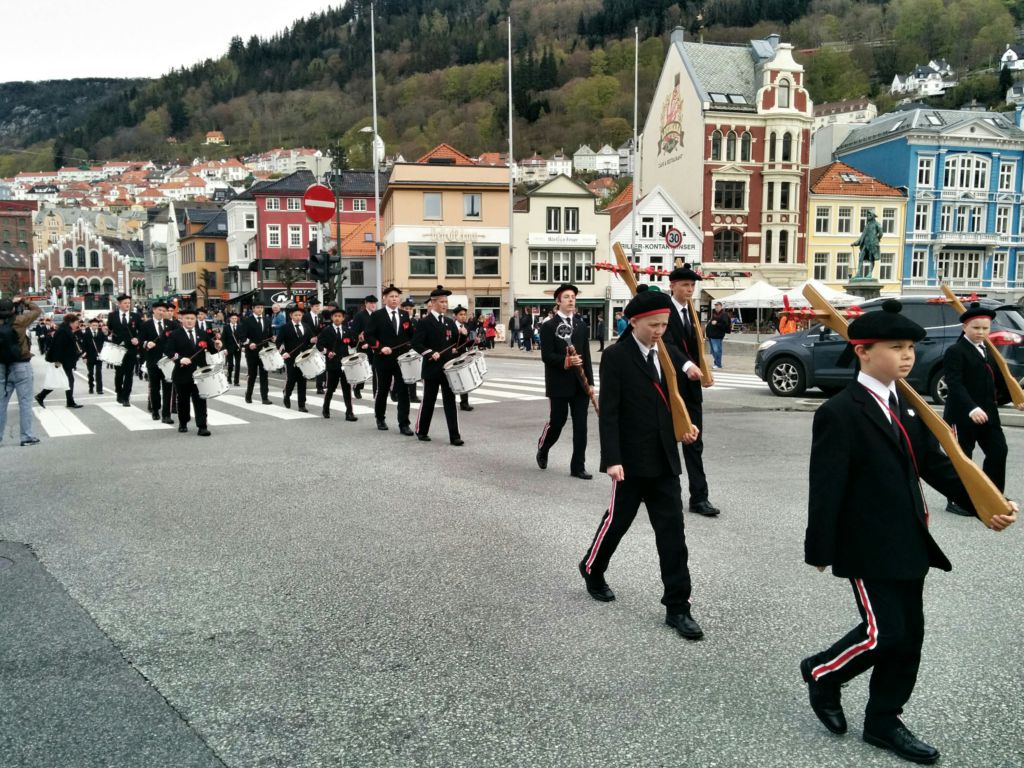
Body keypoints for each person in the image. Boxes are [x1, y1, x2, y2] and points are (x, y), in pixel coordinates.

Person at [801, 299, 1017, 764]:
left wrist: (986, 504)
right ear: (863, 351)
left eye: (910, 348)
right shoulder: (840, 412)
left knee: (909, 637)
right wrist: (819, 547)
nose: (907, 356)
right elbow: (826, 485)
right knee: (884, 633)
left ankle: (883, 720)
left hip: (909, 540)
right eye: (896, 347)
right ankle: (823, 673)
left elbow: (935, 465)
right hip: (864, 543)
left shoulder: (906, 404)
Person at [579, 285, 703, 640]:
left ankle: (678, 607)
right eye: (653, 325)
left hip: (665, 460)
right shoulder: (617, 357)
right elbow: (610, 412)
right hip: (630, 462)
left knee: (673, 536)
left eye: (664, 324)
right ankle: (592, 568)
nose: (659, 331)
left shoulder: (665, 352)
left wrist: (685, 428)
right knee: (617, 523)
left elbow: (671, 401)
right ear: (633, 322)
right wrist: (612, 459)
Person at [941, 302, 1022, 516]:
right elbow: (954, 383)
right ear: (964, 327)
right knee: (963, 457)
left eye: (985, 328)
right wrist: (971, 408)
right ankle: (956, 500)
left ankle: (992, 496)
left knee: (998, 451)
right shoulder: (955, 351)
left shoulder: (989, 350)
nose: (981, 332)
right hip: (962, 414)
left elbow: (999, 379)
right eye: (976, 327)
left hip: (989, 414)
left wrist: (1016, 399)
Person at [663, 265, 720, 517]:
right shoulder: (664, 312)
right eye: (685, 285)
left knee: (694, 442)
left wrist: (705, 370)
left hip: (692, 388)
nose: (689, 289)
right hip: (670, 385)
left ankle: (699, 497)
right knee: (664, 442)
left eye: (692, 285)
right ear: (672, 286)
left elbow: (697, 347)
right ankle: (658, 491)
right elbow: (666, 344)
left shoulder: (693, 314)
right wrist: (687, 365)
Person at [536, 283, 595, 480]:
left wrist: (590, 382)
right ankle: (544, 447)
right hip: (559, 383)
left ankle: (578, 466)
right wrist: (566, 361)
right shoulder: (548, 326)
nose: (571, 300)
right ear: (558, 301)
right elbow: (546, 356)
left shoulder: (581, 325)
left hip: (580, 383)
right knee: (558, 422)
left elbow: (586, 355)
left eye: (573, 297)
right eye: (567, 297)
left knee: (581, 426)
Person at [412, 285, 464, 446]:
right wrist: (429, 352)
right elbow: (416, 343)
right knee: (429, 401)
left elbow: (456, 344)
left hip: (448, 369)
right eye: (442, 302)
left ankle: (454, 436)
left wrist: (463, 339)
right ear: (433, 302)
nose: (445, 305)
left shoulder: (450, 322)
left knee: (450, 402)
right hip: (432, 368)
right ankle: (422, 431)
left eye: (446, 302)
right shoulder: (424, 322)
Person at [364, 285, 415, 435]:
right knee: (383, 390)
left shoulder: (404, 315)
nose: (394, 299)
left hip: (402, 360)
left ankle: (404, 424)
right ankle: (380, 418)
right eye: (391, 296)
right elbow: (369, 335)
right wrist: (380, 347)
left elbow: (410, 335)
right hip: (383, 359)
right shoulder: (377, 315)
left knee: (403, 391)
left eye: (396, 297)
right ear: (385, 299)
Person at [163, 306, 222, 436]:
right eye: (187, 318)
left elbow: (212, 350)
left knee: (201, 399)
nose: (190, 321)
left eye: (192, 318)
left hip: (200, 373)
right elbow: (168, 351)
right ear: (182, 319)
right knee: (183, 400)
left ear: (196, 320)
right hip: (182, 373)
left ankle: (202, 426)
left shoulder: (202, 333)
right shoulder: (175, 334)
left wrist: (217, 346)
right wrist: (180, 359)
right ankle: (183, 423)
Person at [0, 295, 42, 446]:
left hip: (2, 366)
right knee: (24, 402)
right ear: (12, 309)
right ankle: (26, 436)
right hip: (21, 364)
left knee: (1, 403)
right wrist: (23, 301)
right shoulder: (20, 320)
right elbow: (37, 311)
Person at [35, 313, 86, 409]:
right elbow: (58, 346)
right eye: (76, 323)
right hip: (62, 360)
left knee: (63, 380)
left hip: (65, 360)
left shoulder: (65, 329)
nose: (77, 325)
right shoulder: (63, 331)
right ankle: (42, 396)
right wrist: (57, 360)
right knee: (65, 380)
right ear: (70, 322)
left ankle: (43, 396)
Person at [316, 307, 357, 421]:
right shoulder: (327, 330)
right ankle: (326, 409)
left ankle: (349, 413)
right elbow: (319, 345)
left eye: (339, 316)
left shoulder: (347, 330)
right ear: (331, 318)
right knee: (330, 389)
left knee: (347, 389)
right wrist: (327, 352)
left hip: (345, 364)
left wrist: (359, 340)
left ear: (343, 318)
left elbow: (352, 344)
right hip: (332, 364)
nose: (337, 318)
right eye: (335, 316)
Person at [139, 302, 175, 423]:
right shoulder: (146, 325)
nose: (162, 313)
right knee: (155, 388)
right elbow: (140, 340)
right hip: (153, 361)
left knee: (168, 388)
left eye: (164, 311)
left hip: (167, 362)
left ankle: (166, 414)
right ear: (154, 310)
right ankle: (155, 410)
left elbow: (177, 338)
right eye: (159, 310)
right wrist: (146, 343)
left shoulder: (171, 324)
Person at [107, 294, 141, 406]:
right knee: (119, 373)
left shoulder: (135, 316)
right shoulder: (112, 316)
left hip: (131, 349)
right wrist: (107, 333)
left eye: (129, 303)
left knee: (129, 374)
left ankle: (126, 397)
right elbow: (109, 330)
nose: (127, 305)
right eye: (125, 303)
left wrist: (137, 339)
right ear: (119, 304)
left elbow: (141, 331)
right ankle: (119, 392)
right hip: (117, 349)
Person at [277, 305, 313, 412]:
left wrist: (313, 341)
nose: (298, 317)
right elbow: (278, 342)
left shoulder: (306, 326)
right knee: (291, 380)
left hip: (304, 359)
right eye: (296, 315)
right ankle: (287, 394)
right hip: (291, 358)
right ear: (291, 315)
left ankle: (302, 405)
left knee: (302, 381)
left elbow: (310, 339)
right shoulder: (285, 327)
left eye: (300, 315)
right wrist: (283, 352)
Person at [241, 304, 274, 405]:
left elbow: (269, 335)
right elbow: (242, 336)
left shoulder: (267, 320)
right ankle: (248, 394)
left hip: (264, 352)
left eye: (261, 308)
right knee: (252, 375)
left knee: (264, 375)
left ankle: (265, 397)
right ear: (253, 309)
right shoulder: (247, 321)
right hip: (252, 352)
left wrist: (273, 338)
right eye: (258, 307)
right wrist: (249, 343)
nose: (260, 309)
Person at [349, 294, 378, 399]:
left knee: (376, 369)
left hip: (375, 346)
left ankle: (376, 392)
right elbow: (354, 331)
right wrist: (360, 339)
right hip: (363, 346)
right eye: (371, 303)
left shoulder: (377, 315)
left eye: (374, 303)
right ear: (366, 304)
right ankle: (358, 387)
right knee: (363, 369)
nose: (373, 305)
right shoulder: (360, 315)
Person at [452, 304, 475, 411]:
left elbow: (466, 343)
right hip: (452, 356)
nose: (463, 316)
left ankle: (464, 403)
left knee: (464, 378)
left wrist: (474, 341)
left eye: (464, 314)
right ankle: (450, 402)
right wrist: (452, 348)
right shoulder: (451, 326)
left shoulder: (466, 326)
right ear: (455, 316)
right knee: (452, 379)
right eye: (461, 315)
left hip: (462, 355)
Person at [80, 318, 106, 394]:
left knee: (98, 372)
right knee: (90, 373)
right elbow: (83, 346)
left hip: (99, 356)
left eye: (96, 325)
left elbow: (105, 344)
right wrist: (84, 357)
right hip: (89, 356)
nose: (95, 326)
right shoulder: (86, 334)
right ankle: (91, 387)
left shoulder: (101, 334)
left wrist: (104, 354)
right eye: (93, 325)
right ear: (90, 325)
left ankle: (99, 389)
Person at [705, 301, 731, 369]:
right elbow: (711, 323)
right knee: (713, 351)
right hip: (711, 335)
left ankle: (718, 364)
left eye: (718, 305)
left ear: (721, 306)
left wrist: (716, 323)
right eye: (715, 305)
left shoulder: (724, 314)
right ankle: (716, 363)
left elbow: (725, 325)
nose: (716, 307)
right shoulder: (714, 314)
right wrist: (707, 334)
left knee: (717, 350)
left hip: (717, 335)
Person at [221, 311, 244, 387]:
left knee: (238, 365)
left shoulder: (240, 327)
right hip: (229, 348)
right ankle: (229, 378)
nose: (234, 320)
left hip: (238, 348)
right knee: (230, 364)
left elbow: (242, 337)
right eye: (233, 318)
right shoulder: (226, 327)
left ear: (237, 319)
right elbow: (223, 339)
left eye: (235, 318)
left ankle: (236, 381)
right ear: (230, 319)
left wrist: (243, 346)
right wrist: (224, 348)